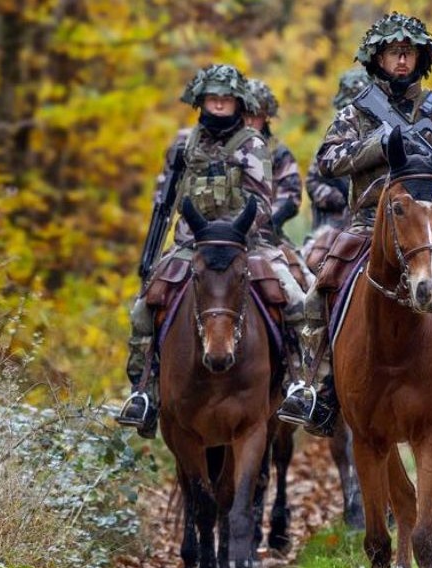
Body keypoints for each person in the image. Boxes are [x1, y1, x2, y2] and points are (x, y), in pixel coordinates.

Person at [276, 12, 432, 432]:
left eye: (408, 53)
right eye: (394, 53)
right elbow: (328, 160)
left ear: (420, 59)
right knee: (317, 292)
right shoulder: (357, 113)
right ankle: (312, 385)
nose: (401, 61)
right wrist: (377, 145)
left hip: (429, 222)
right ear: (378, 59)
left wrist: (429, 163)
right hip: (368, 222)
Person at [116, 64, 308, 435]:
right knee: (143, 307)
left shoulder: (253, 144)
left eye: (226, 100)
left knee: (297, 299)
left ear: (238, 103)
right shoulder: (183, 143)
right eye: (213, 99)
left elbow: (263, 203)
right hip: (190, 245)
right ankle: (144, 392)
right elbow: (164, 198)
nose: (219, 106)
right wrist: (158, 247)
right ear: (202, 101)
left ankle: (299, 384)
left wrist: (229, 232)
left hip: (244, 245)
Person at [304, 68, 370, 230]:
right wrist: (336, 198)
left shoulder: (379, 139)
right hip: (333, 224)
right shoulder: (332, 144)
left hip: (370, 222)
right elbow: (312, 183)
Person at [244, 79, 303, 237]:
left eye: (255, 116)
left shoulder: (278, 153)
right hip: (222, 232)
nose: (249, 122)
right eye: (245, 115)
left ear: (265, 117)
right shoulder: (222, 149)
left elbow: (291, 196)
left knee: (293, 261)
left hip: (265, 231)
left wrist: (268, 221)